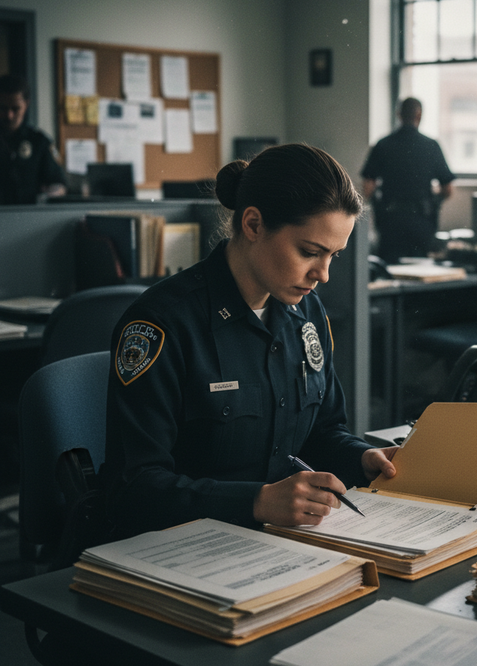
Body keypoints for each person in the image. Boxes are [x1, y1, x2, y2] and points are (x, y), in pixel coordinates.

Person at [100, 143, 397, 539]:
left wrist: (361, 457)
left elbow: (323, 431)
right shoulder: (162, 323)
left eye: (334, 256)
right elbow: (132, 487)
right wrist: (255, 501)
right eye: (310, 252)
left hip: (279, 539)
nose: (322, 275)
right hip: (180, 548)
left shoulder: (306, 315)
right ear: (253, 225)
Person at [361, 97, 455, 262]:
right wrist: (434, 197)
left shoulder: (383, 144)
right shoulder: (431, 146)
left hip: (390, 222)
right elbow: (448, 189)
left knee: (389, 271)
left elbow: (367, 189)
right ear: (419, 116)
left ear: (399, 115)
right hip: (422, 222)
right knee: (421, 271)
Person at [0, 73, 67, 204]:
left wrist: (51, 193)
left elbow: (58, 183)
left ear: (26, 104)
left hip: (28, 216)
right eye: (3, 108)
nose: (9, 115)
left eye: (15, 109)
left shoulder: (39, 141)